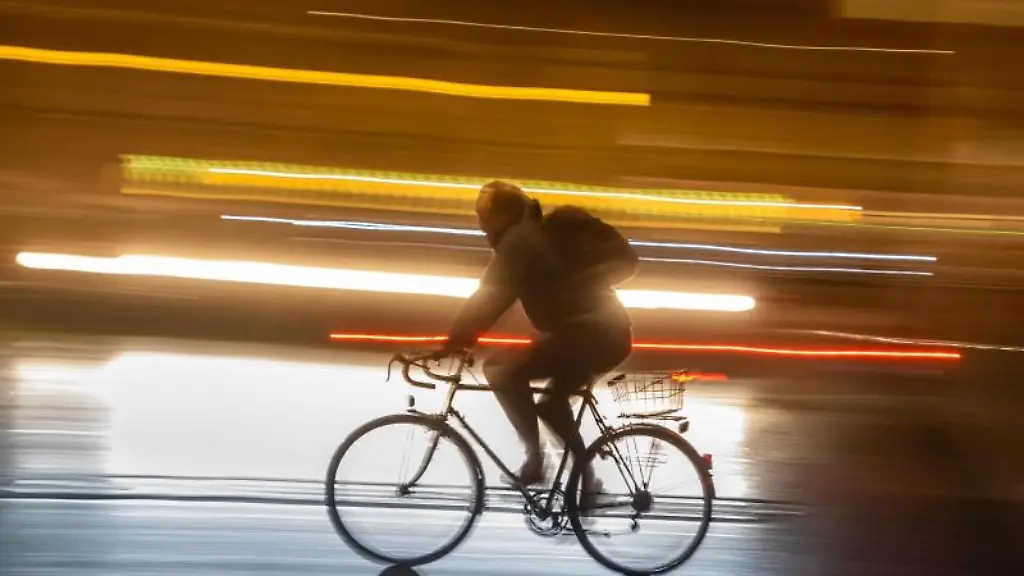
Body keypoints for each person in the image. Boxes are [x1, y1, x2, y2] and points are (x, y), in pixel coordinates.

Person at [436, 180, 637, 507]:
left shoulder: (521, 242)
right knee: (534, 390)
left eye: (485, 215)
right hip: (590, 334)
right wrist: (459, 339)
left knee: (507, 373)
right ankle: (581, 480)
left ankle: (540, 464)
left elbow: (489, 298)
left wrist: (452, 343)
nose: (481, 222)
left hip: (594, 335)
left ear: (504, 215)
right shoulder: (525, 237)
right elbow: (496, 298)